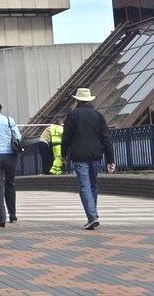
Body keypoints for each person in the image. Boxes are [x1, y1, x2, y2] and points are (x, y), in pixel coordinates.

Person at [61, 88, 116, 230]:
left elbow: (66, 137)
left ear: (77, 100)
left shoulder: (72, 116)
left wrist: (63, 154)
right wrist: (111, 160)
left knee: (84, 186)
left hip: (79, 156)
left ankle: (92, 216)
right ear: (89, 100)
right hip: (95, 155)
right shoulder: (98, 116)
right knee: (93, 185)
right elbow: (106, 138)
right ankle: (93, 214)